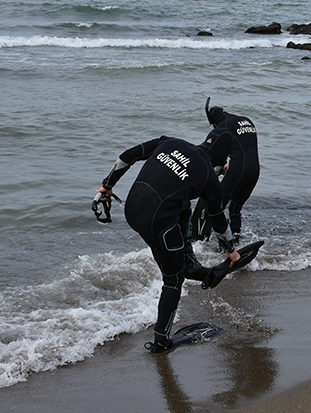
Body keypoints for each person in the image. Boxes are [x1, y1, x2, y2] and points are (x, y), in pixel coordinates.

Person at [96, 128, 241, 353]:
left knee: (182, 206)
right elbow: (218, 220)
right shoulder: (208, 178)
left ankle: (190, 265)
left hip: (133, 211)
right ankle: (161, 341)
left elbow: (127, 156)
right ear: (224, 157)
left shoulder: (170, 142)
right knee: (172, 280)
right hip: (158, 223)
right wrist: (231, 251)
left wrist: (107, 185)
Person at [204, 98, 260, 246]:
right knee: (235, 208)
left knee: (217, 207)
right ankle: (236, 242)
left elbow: (212, 154)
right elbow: (243, 148)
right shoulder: (246, 120)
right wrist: (228, 164)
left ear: (214, 122)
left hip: (238, 171)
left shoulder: (222, 126)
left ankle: (223, 246)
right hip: (255, 171)